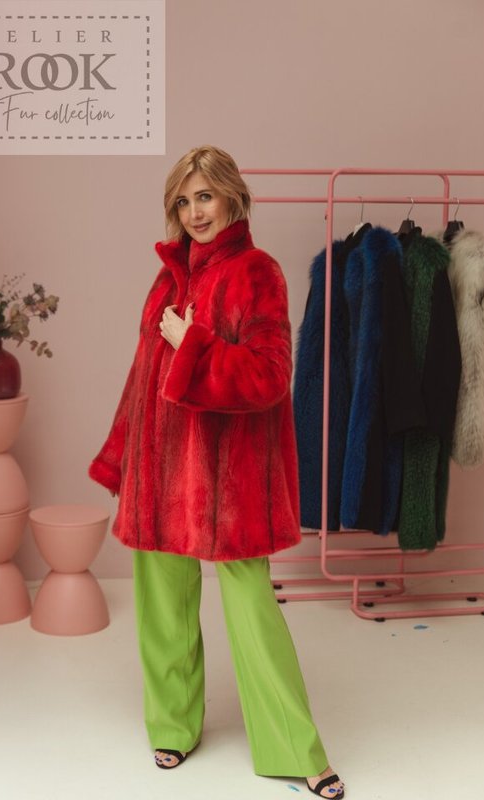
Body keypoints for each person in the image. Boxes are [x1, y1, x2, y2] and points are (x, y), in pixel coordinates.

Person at [89, 145, 345, 799]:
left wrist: (193, 344)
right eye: (183, 201)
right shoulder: (166, 281)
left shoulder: (258, 272)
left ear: (233, 195)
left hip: (229, 481)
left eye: (204, 196)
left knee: (253, 613)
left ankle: (295, 750)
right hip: (160, 474)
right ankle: (172, 727)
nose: (195, 213)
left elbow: (269, 378)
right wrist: (120, 459)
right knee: (162, 611)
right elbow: (141, 381)